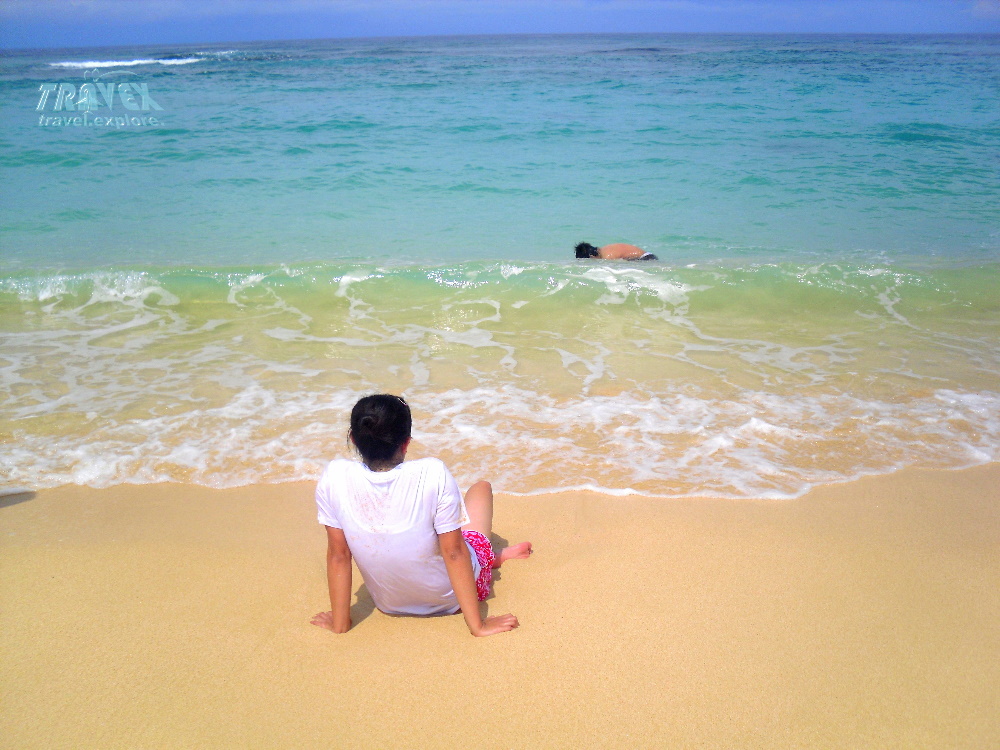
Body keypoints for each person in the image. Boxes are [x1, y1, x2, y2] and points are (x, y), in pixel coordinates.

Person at [310, 394, 532, 637]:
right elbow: (454, 552)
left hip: (389, 603)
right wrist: (478, 626)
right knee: (481, 489)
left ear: (353, 438)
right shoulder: (432, 472)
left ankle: (492, 557)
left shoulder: (334, 477)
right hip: (451, 600)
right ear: (406, 442)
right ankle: (489, 558)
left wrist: (340, 624)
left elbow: (339, 555)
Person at [575, 242, 658, 261]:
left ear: (592, 256)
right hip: (648, 256)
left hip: (646, 259)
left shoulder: (608, 257)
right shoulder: (605, 249)